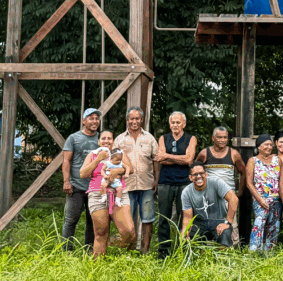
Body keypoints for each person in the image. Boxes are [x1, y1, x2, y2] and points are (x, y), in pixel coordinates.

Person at [79, 130, 136, 257]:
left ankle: (113, 245)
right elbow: (82, 174)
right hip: (97, 193)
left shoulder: (119, 153)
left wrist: (118, 171)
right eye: (103, 138)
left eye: (109, 138)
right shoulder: (92, 154)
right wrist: (98, 159)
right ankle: (98, 268)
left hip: (118, 193)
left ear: (113, 141)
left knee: (129, 231)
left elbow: (130, 169)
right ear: (98, 141)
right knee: (100, 234)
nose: (106, 141)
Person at [114, 106, 157, 253]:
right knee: (128, 220)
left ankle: (145, 250)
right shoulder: (119, 139)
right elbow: (113, 161)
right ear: (127, 120)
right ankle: (129, 250)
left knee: (147, 218)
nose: (134, 121)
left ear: (142, 120)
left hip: (146, 185)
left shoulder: (149, 138)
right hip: (127, 186)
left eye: (137, 118)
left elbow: (156, 159)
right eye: (131, 118)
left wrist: (156, 180)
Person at [155, 111, 198, 256]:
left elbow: (189, 160)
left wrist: (168, 156)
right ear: (169, 124)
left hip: (184, 183)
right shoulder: (163, 138)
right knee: (164, 217)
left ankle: (184, 249)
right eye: (172, 122)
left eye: (178, 122)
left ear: (184, 124)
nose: (175, 125)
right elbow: (160, 159)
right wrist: (180, 158)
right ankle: (163, 251)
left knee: (184, 217)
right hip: (165, 182)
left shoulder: (191, 139)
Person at [61, 107, 102, 250]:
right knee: (71, 220)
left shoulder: (101, 139)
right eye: (91, 118)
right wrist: (66, 181)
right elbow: (66, 161)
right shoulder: (74, 138)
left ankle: (89, 249)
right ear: (84, 121)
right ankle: (66, 251)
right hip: (77, 185)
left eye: (97, 118)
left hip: (95, 187)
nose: (95, 121)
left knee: (93, 221)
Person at [196, 126, 245, 235]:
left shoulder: (234, 154)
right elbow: (195, 172)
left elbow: (243, 172)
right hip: (209, 197)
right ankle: (210, 249)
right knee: (210, 225)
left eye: (225, 137)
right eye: (219, 137)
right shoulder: (204, 153)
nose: (222, 140)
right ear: (213, 138)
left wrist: (239, 192)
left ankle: (233, 249)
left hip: (228, 197)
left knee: (231, 224)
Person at [180, 162, 238, 246]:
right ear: (190, 177)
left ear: (206, 174)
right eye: (195, 174)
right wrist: (185, 232)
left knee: (224, 233)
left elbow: (233, 199)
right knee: (187, 239)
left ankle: (223, 257)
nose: (199, 176)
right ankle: (198, 257)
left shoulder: (216, 182)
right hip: (199, 223)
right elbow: (187, 217)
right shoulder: (186, 192)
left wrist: (227, 222)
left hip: (218, 220)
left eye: (201, 173)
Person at [247, 134, 282, 254]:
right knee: (259, 224)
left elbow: (282, 181)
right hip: (260, 199)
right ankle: (254, 253)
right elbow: (249, 183)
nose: (269, 147)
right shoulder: (253, 161)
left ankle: (269, 255)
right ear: (259, 146)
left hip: (276, 199)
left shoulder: (277, 160)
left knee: (273, 227)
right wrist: (260, 200)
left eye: (270, 144)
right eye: (266, 144)